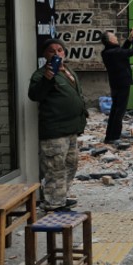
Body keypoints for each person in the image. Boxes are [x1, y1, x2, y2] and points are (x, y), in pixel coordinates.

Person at [28, 39, 87, 211]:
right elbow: (35, 95)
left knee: (71, 164)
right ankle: (53, 204)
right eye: (52, 51)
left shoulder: (68, 71)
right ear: (45, 55)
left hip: (71, 130)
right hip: (55, 132)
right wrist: (47, 79)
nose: (57, 54)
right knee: (55, 169)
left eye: (60, 50)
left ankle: (60, 198)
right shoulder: (41, 75)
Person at [100, 28, 133, 143]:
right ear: (110, 40)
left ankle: (110, 136)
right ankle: (115, 137)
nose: (116, 38)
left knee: (115, 109)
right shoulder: (114, 52)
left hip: (115, 83)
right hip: (122, 83)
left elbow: (122, 51)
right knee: (120, 110)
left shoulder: (108, 52)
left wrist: (128, 40)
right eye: (114, 37)